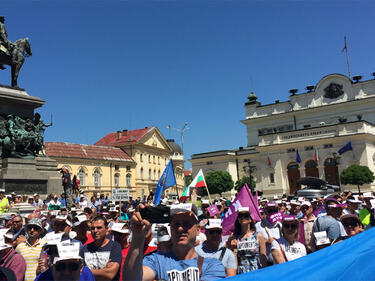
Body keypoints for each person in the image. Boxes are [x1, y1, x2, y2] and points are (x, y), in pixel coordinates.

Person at [124, 203, 226, 281]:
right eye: (176, 224)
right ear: (171, 228)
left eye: (186, 223)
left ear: (198, 229)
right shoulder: (156, 261)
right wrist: (138, 238)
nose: (180, 228)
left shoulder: (212, 265)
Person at [81, 216, 122, 281]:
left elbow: (109, 274)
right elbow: (80, 273)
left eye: (99, 228)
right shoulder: (85, 249)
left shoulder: (115, 247)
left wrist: (87, 271)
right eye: (92, 228)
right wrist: (104, 270)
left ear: (106, 229)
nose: (95, 231)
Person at [227, 207, 267, 274]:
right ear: (238, 220)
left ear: (250, 219)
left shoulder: (258, 236)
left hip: (256, 271)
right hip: (241, 272)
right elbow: (230, 256)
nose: (243, 218)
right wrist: (231, 246)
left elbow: (263, 257)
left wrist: (265, 273)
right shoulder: (234, 237)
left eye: (246, 216)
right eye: (240, 216)